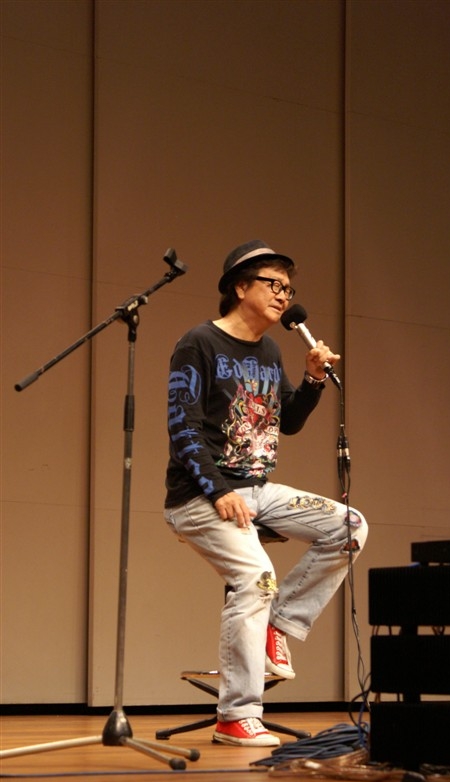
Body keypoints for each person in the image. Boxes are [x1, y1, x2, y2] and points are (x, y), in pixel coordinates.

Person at [164, 240, 368, 747]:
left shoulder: (272, 351)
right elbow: (183, 427)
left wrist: (313, 381)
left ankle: (280, 623)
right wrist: (217, 490)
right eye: (273, 284)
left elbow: (287, 423)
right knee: (257, 578)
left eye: (288, 289)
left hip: (256, 489)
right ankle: (236, 714)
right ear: (240, 287)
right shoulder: (199, 343)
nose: (283, 296)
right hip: (199, 496)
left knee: (349, 526)